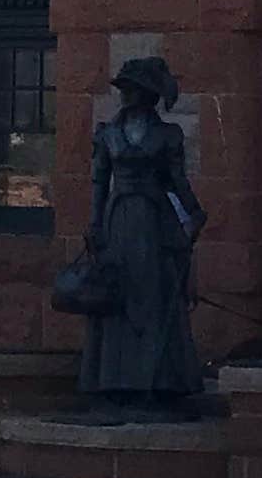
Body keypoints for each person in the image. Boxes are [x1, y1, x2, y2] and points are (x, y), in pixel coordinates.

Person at [78, 55, 207, 412]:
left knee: (153, 298)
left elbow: (178, 182)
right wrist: (94, 224)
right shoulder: (107, 133)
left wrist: (194, 213)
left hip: (154, 221)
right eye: (125, 88)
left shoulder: (167, 136)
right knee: (118, 297)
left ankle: (160, 380)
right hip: (118, 220)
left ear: (148, 94)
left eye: (133, 89)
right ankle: (113, 381)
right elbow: (99, 183)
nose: (127, 95)